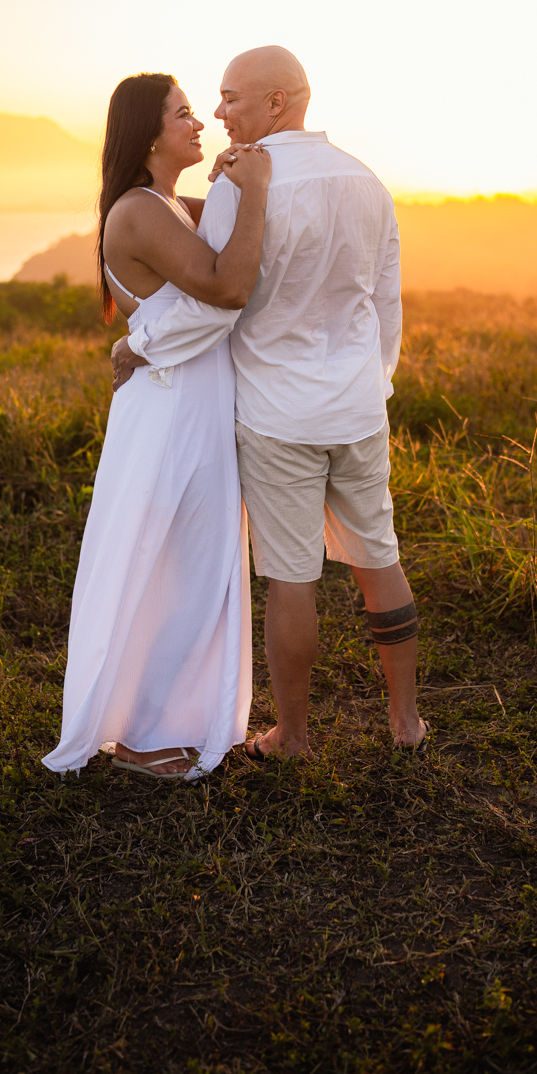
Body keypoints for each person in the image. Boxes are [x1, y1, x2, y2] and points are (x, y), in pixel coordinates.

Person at [111, 46, 427, 760]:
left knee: (292, 577)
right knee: (380, 557)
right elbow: (385, 299)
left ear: (276, 103)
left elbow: (220, 302)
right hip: (356, 406)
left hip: (277, 414)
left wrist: (142, 342)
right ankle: (406, 721)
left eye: (232, 98)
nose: (220, 114)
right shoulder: (367, 180)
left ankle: (293, 735)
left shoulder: (242, 182)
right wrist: (374, 381)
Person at [41, 72, 271, 781]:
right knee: (165, 564)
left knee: (199, 568)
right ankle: (140, 737)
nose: (199, 125)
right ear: (148, 134)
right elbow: (230, 286)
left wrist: (251, 170)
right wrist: (254, 188)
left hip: (195, 402)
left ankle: (182, 716)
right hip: (169, 410)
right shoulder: (139, 212)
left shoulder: (175, 203)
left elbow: (242, 243)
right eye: (184, 115)